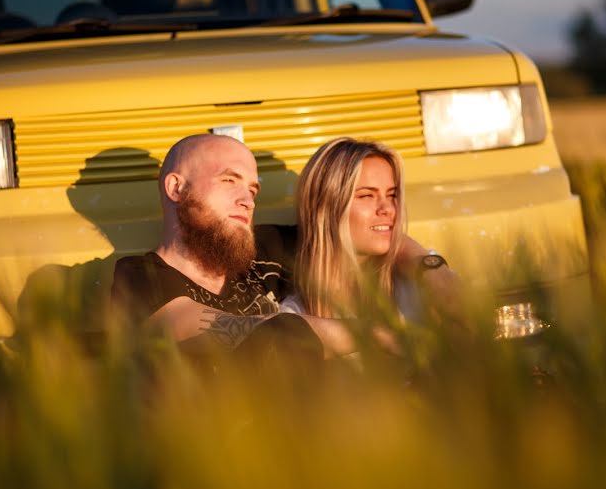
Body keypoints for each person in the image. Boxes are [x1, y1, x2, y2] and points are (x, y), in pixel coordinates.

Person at [110, 134, 355, 360]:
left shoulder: (263, 251)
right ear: (177, 188)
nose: (248, 201)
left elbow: (347, 231)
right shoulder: (139, 278)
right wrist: (376, 335)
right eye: (229, 180)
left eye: (252, 190)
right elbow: (260, 334)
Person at [281, 137, 460, 326]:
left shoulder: (418, 284)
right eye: (367, 196)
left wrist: (432, 269)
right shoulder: (294, 314)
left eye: (392, 195)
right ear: (326, 208)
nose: (388, 209)